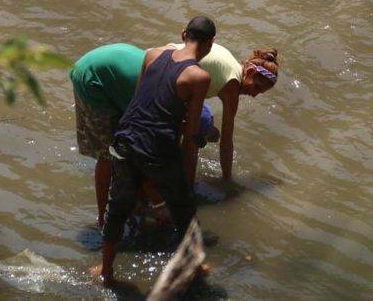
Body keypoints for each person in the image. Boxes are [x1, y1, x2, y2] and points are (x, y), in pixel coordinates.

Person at [99, 17, 214, 285]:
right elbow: (191, 131)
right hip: (157, 148)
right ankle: (195, 268)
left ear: (183, 34)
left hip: (126, 140)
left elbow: (138, 99)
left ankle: (105, 271)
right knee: (185, 210)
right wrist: (185, 173)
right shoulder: (199, 76)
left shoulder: (152, 54)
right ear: (210, 44)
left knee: (117, 209)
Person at [70, 41, 218, 227]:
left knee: (132, 149)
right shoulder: (163, 108)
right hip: (94, 77)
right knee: (108, 154)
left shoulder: (177, 89)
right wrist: (161, 202)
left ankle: (134, 204)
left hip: (112, 68)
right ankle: (103, 219)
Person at [166, 42, 280, 183]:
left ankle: (175, 160)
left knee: (211, 131)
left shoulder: (230, 62)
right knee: (202, 126)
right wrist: (227, 180)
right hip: (167, 82)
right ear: (249, 72)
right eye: (256, 87)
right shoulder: (232, 83)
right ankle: (185, 183)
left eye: (260, 92)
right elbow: (227, 141)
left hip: (164, 63)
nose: (254, 94)